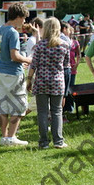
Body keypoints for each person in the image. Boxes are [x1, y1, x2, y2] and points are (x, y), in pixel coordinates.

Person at [26, 17, 70, 149]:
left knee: (42, 112)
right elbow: (67, 66)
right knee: (57, 112)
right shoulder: (65, 45)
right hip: (57, 82)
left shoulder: (39, 45)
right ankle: (58, 141)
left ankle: (44, 142)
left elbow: (34, 65)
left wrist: (29, 80)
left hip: (41, 82)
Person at [0, 3, 32, 146]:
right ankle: (11, 137)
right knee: (19, 105)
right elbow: (14, 56)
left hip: (1, 72)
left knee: (3, 105)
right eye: (23, 18)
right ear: (17, 17)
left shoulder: (0, 30)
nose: (24, 22)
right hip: (13, 74)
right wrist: (28, 59)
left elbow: (3, 53)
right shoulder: (13, 32)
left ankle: (4, 137)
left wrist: (18, 61)